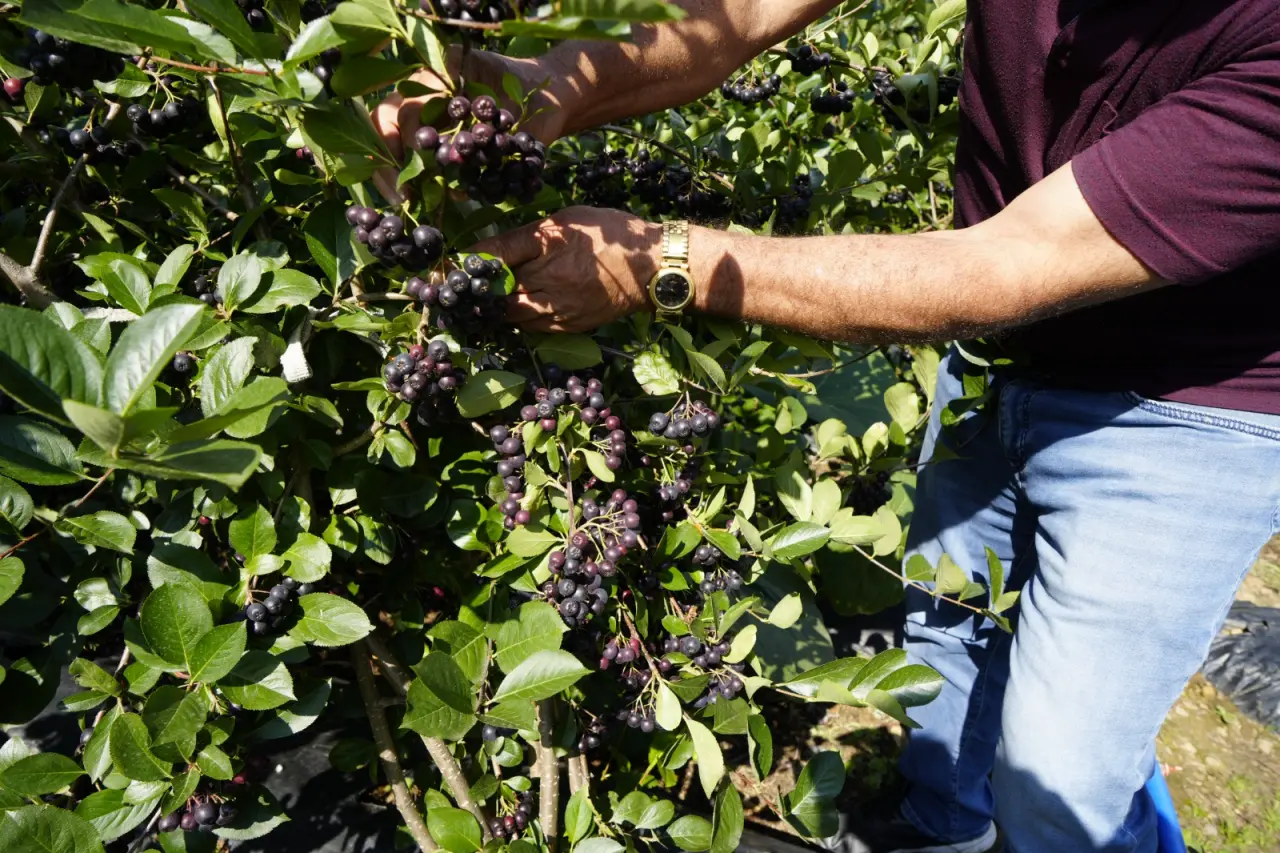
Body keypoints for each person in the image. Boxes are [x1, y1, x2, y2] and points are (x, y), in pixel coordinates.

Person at [375, 1, 1280, 850]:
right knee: (947, 634)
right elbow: (743, 15)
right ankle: (944, 827)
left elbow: (1010, 264)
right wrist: (541, 85)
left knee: (1064, 775)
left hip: (1193, 406)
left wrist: (656, 264)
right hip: (1003, 351)